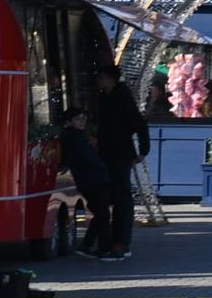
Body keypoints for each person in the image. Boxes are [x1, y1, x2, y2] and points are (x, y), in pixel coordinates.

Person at [93, 64, 149, 262]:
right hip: (108, 153)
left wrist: (143, 150)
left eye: (100, 77)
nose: (98, 81)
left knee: (121, 197)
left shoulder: (121, 97)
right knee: (107, 196)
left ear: (110, 78)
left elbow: (139, 124)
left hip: (119, 154)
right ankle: (105, 241)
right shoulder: (106, 97)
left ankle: (121, 243)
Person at [59, 107, 112, 258]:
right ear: (69, 122)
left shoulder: (78, 136)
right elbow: (85, 158)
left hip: (91, 179)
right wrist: (102, 166)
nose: (82, 122)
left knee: (101, 213)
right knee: (102, 213)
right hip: (92, 179)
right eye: (77, 119)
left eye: (83, 118)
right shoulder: (74, 137)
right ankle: (102, 247)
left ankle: (88, 245)